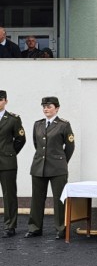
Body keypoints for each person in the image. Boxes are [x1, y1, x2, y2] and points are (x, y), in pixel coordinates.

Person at [27, 96, 74, 239]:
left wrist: (61, 161)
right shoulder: (38, 124)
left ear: (57, 108)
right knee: (36, 199)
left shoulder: (64, 125)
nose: (46, 109)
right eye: (44, 106)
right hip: (38, 166)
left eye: (49, 106)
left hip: (57, 168)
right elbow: (37, 144)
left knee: (59, 199)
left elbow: (70, 146)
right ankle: (35, 228)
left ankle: (61, 229)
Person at [0, 90, 26, 237]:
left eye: (1, 100)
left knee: (9, 195)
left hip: (7, 162)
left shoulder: (13, 119)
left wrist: (10, 152)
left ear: (6, 101)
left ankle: (10, 225)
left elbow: (21, 139)